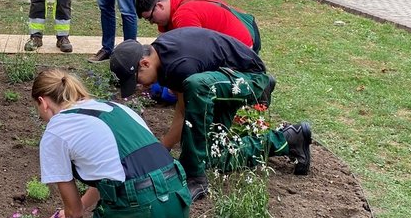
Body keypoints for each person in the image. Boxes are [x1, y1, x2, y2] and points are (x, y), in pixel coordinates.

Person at [31, 68, 231, 218]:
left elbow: (74, 212)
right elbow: (111, 172)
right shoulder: (117, 108)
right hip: (177, 196)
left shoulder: (56, 130)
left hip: (138, 209)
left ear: (43, 102)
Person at [108, 28, 311, 201]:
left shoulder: (180, 65)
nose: (140, 85)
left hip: (249, 78)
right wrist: (163, 149)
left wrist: (163, 150)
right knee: (212, 156)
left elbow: (186, 110)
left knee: (197, 86)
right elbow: (182, 109)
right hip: (222, 80)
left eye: (137, 79)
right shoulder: (162, 54)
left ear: (144, 63)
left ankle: (195, 177)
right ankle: (288, 139)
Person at [135, 0, 260, 53]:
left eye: (150, 18)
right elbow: (163, 43)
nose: (152, 23)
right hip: (241, 38)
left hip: (241, 50)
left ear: (160, 6)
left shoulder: (183, 15)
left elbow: (194, 52)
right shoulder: (175, 2)